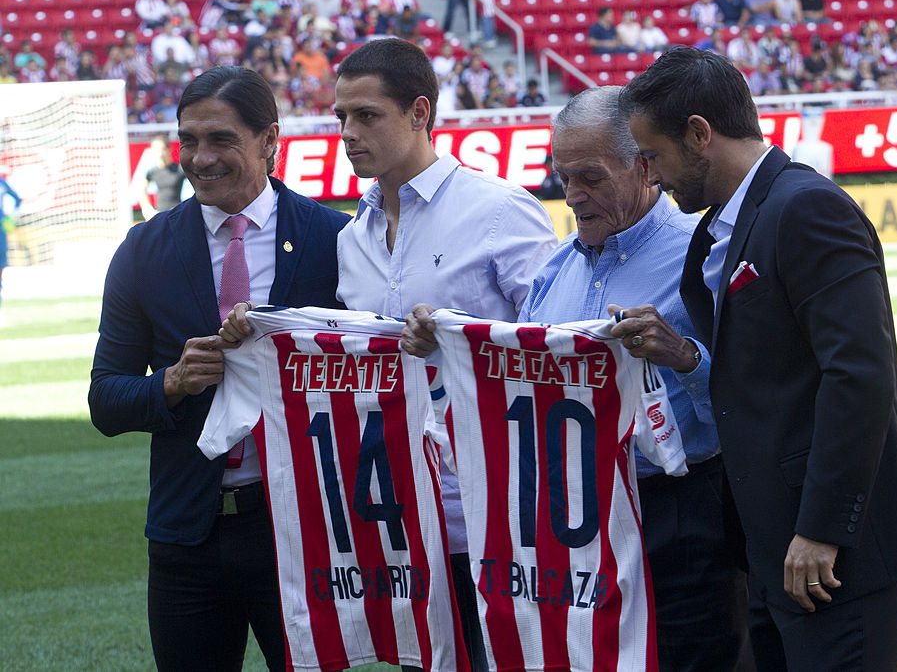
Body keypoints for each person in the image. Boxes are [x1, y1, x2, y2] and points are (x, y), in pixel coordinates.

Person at [221, 38, 556, 672]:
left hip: (499, 518)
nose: (348, 132)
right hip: (399, 521)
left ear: (419, 113)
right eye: (341, 116)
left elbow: (555, 353)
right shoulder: (352, 238)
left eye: (366, 115)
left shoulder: (500, 211)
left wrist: (459, 336)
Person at [620, 46, 897, 671]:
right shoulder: (731, 221)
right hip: (774, 545)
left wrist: (823, 528)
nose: (653, 177)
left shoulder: (806, 207)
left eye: (655, 156)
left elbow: (859, 374)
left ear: (699, 135)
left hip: (834, 551)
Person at [89, 66, 350, 672]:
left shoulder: (335, 239)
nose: (200, 158)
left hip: (303, 531)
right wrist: (172, 383)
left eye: (221, 140)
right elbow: (106, 400)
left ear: (269, 140)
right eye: (189, 140)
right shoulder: (143, 250)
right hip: (188, 539)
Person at [517, 86, 753, 672]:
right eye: (562, 177)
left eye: (591, 178)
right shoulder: (553, 272)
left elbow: (747, 397)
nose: (573, 196)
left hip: (683, 514)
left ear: (646, 166)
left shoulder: (706, 259)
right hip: (578, 523)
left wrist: (684, 357)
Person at [138, 135, 188, 219]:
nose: (160, 153)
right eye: (156, 150)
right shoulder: (152, 172)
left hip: (178, 214)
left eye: (162, 149)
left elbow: (197, 185)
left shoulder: (179, 169)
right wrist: (147, 210)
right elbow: (141, 191)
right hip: (160, 214)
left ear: (169, 149)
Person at [0, 171, 22, 311]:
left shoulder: (2, 182)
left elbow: (17, 199)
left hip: (0, 228)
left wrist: (11, 218)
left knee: (1, 263)